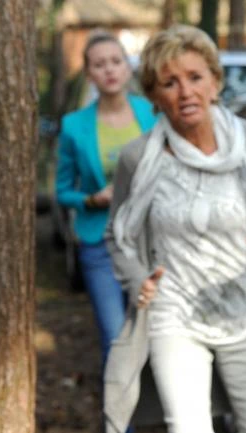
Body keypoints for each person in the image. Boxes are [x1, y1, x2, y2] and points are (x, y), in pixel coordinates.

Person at [103, 25, 246, 433]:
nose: (185, 92)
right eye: (170, 82)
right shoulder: (138, 158)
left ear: (215, 82)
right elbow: (118, 233)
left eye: (195, 77)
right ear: (153, 95)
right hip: (173, 318)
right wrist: (136, 280)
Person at [54, 31, 157, 388]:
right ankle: (117, 415)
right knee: (115, 338)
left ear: (127, 67)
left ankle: (155, 411)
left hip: (149, 242)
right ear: (89, 74)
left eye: (116, 61)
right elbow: (62, 191)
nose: (109, 70)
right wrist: (90, 199)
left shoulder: (152, 113)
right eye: (99, 65)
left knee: (156, 336)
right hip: (98, 243)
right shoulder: (73, 126)